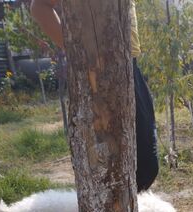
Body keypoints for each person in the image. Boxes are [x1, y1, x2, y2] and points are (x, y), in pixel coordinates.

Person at [30, 0, 158, 192]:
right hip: (102, 71)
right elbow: (39, 7)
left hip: (128, 64)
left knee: (147, 164)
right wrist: (79, 53)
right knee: (119, 169)